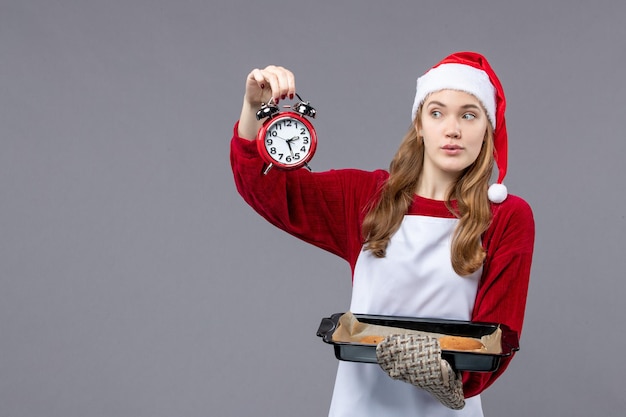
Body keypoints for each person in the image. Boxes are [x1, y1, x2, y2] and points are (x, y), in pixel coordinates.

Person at [230, 52, 535, 417]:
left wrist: (442, 377)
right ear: (420, 124)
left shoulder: (507, 217)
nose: (452, 129)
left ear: (487, 126)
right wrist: (254, 110)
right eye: (437, 112)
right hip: (360, 407)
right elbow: (268, 191)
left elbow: (498, 337)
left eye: (469, 115)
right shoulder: (364, 197)